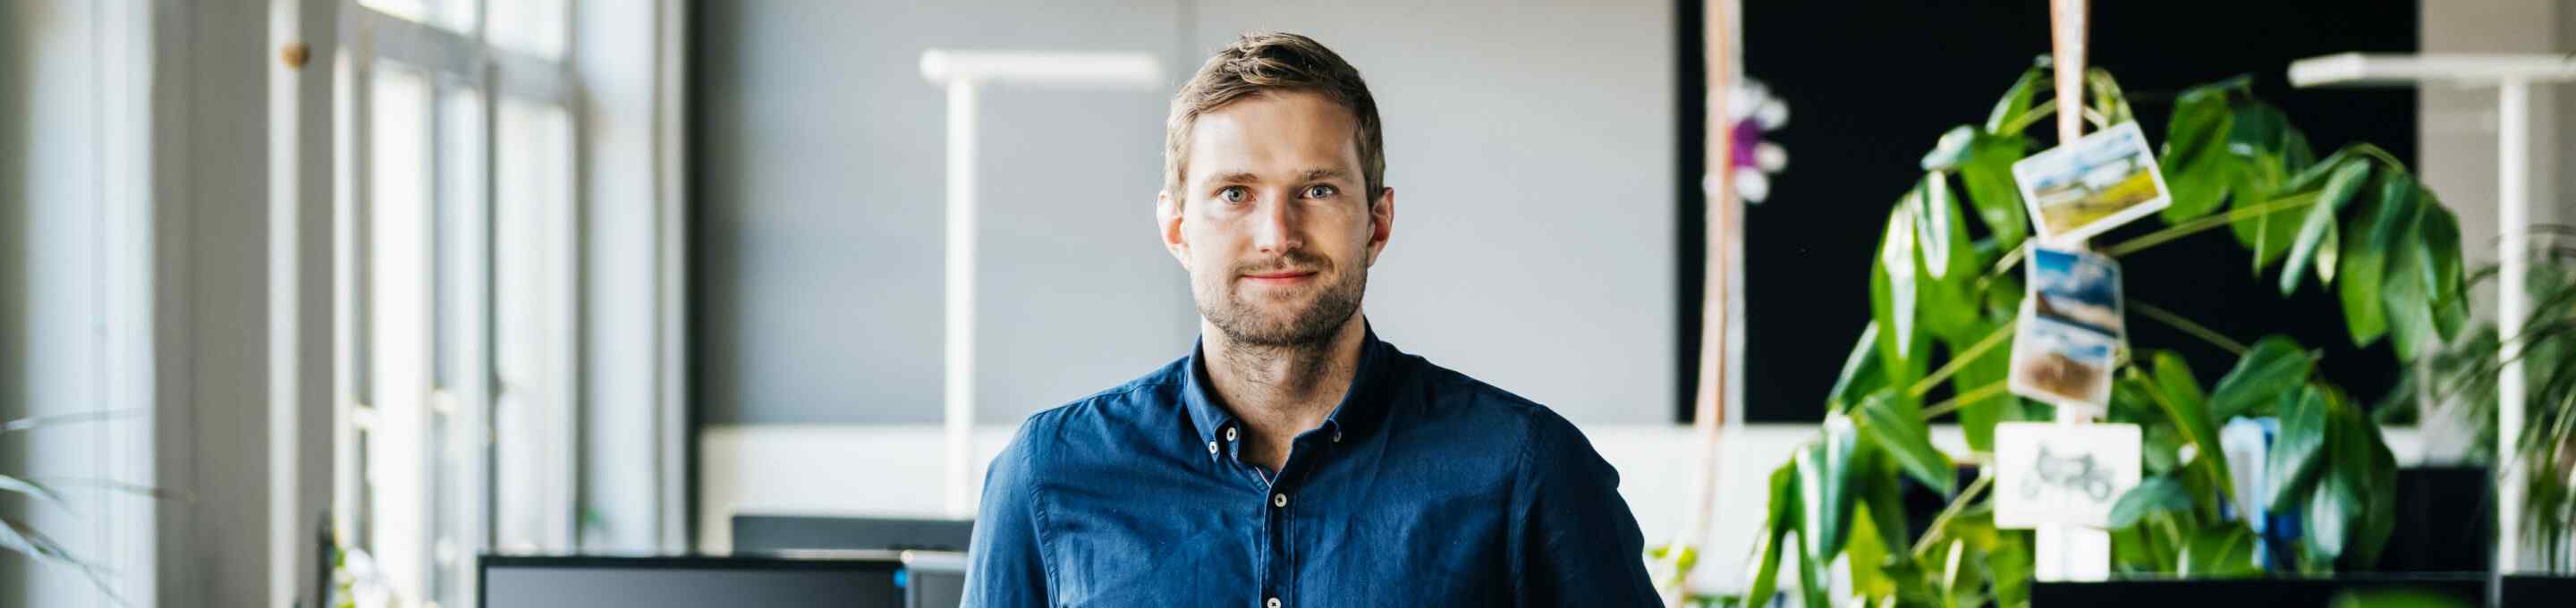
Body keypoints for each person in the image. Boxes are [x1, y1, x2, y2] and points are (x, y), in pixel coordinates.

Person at [962, 31, 1657, 607]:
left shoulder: (1527, 469)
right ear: (1177, 229)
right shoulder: (1048, 475)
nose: (1276, 233)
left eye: (1317, 189)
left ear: (1378, 222)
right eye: (1234, 193)